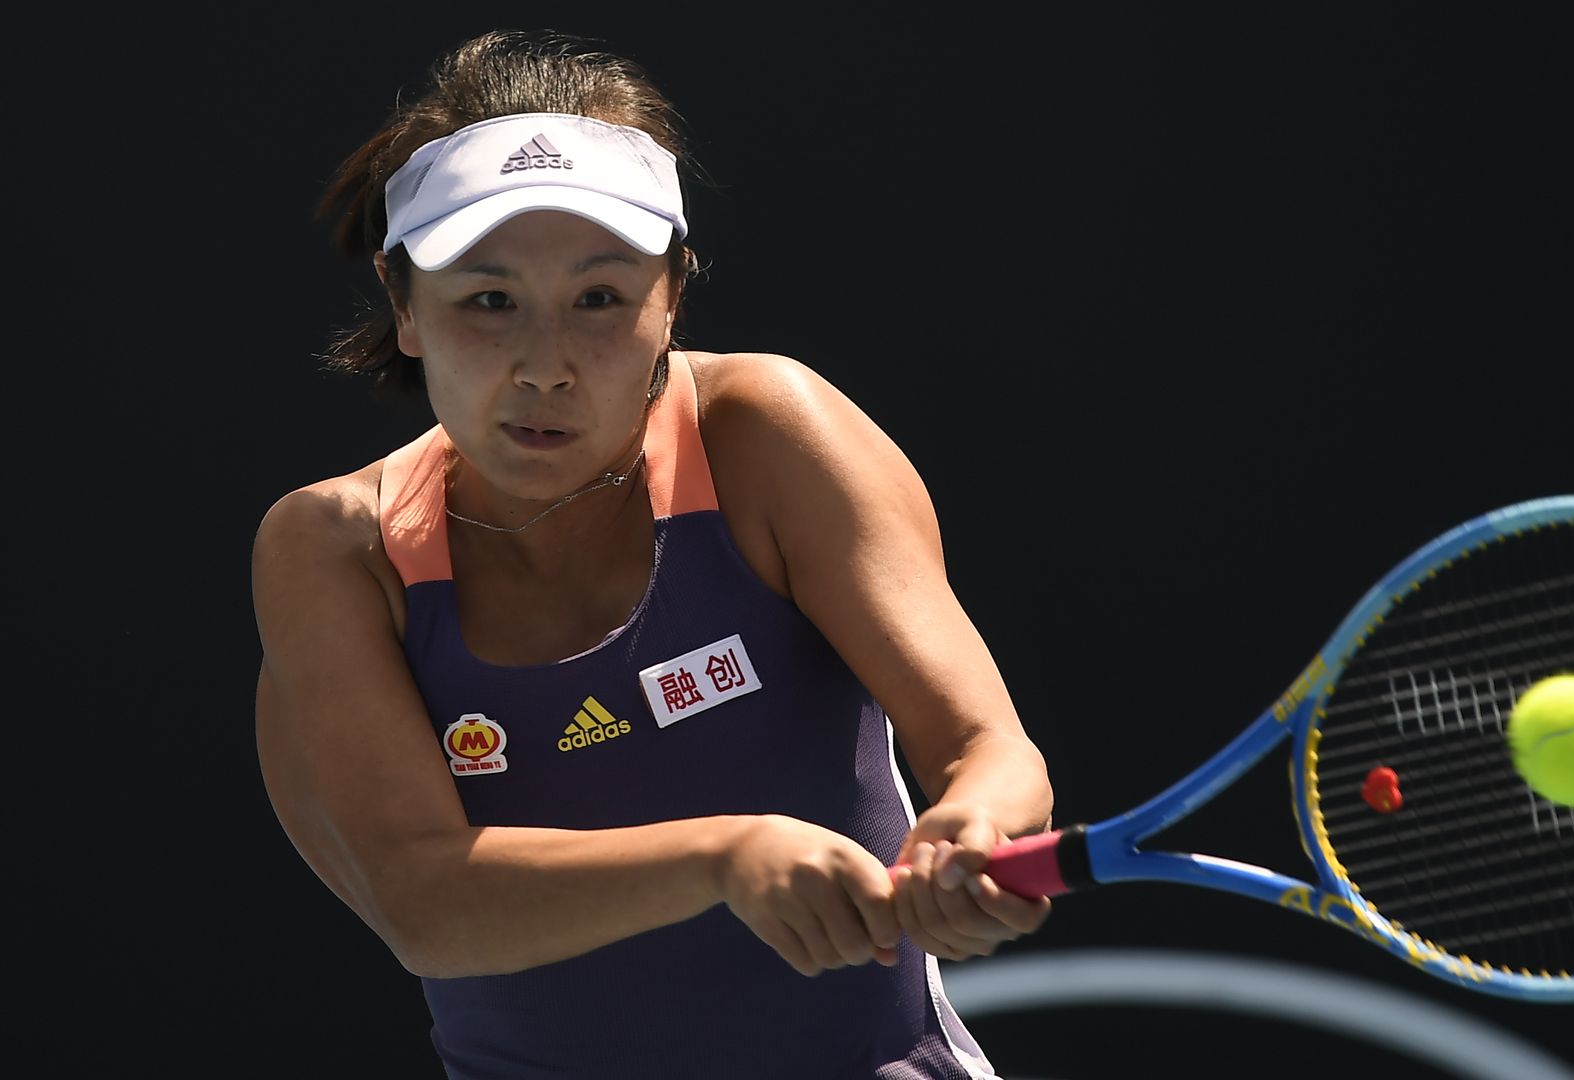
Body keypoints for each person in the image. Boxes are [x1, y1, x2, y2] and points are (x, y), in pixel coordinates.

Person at [251, 28, 1054, 1080]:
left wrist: (973, 834)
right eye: (489, 301)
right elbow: (428, 907)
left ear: (672, 297)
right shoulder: (333, 549)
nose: (546, 367)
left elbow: (990, 747)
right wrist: (728, 855)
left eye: (600, 298)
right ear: (406, 310)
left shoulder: (769, 435)